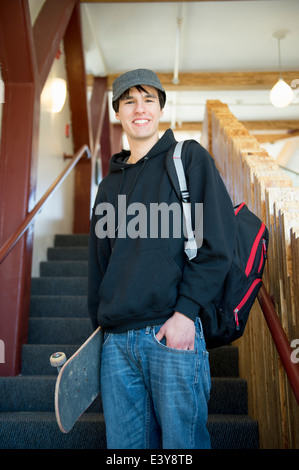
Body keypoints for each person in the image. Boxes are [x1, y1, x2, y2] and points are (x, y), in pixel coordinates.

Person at [87, 69, 237, 449]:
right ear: (117, 112)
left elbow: (218, 244)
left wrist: (186, 315)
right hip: (117, 344)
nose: (140, 108)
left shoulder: (187, 160)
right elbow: (99, 267)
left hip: (171, 334)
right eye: (129, 101)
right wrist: (99, 334)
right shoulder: (108, 186)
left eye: (149, 100)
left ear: (160, 109)